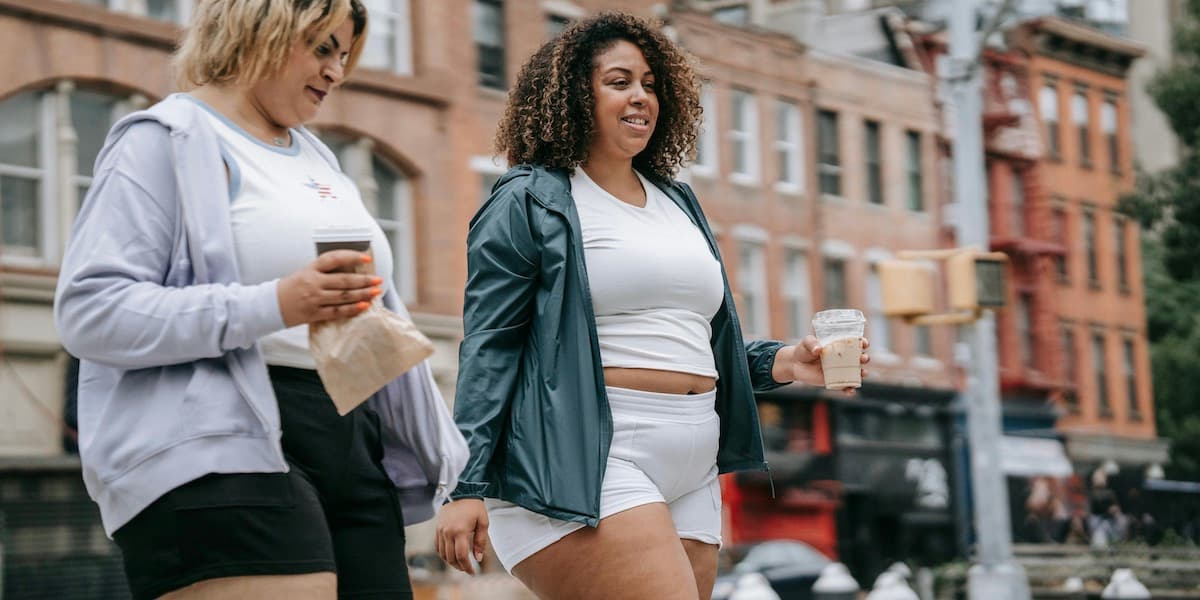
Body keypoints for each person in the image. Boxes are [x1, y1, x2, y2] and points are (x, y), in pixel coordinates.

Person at [435, 12, 869, 600]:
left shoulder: (676, 201)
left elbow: (694, 341)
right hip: (587, 455)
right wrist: (464, 483)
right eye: (619, 82)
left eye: (650, 84)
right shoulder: (530, 199)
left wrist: (786, 361)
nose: (641, 96)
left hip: (694, 457)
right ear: (574, 96)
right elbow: (491, 345)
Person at [53, 0, 466, 597]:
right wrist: (275, 303)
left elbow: (367, 317)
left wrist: (446, 461)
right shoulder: (165, 138)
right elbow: (92, 311)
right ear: (258, 29)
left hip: (349, 439)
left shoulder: (318, 156)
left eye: (344, 55)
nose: (336, 71)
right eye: (321, 47)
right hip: (218, 441)